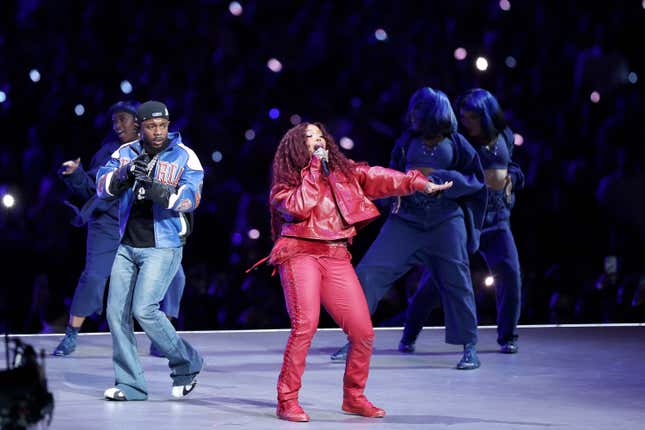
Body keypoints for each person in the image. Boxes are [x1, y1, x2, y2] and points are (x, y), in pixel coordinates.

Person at [266, 121, 452, 421]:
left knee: (363, 330)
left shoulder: (342, 172)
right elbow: (301, 206)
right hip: (300, 253)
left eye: (319, 135)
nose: (316, 140)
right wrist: (315, 168)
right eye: (308, 137)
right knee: (305, 324)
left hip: (336, 255)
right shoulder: (285, 184)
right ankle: (287, 399)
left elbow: (377, 176)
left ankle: (354, 396)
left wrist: (418, 184)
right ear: (296, 146)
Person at [330, 87, 487, 370]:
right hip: (406, 222)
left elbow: (475, 180)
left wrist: (443, 178)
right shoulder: (406, 142)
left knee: (457, 282)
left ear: (433, 112)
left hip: (444, 223)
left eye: (417, 109)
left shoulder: (457, 143)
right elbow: (390, 175)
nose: (412, 115)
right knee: (369, 273)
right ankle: (355, 339)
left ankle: (469, 346)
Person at [52, 101, 187, 358]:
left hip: (146, 222)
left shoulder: (165, 149)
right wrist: (75, 174)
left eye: (122, 119)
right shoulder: (110, 151)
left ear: (138, 121)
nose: (117, 125)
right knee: (94, 277)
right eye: (114, 121)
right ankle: (71, 335)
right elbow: (93, 188)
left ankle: (163, 337)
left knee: (175, 276)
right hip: (109, 224)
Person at [399, 89, 525, 354]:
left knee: (510, 274)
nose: (466, 121)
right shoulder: (456, 141)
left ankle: (508, 337)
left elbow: (509, 165)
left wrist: (514, 176)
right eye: (464, 116)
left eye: (472, 117)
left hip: (499, 219)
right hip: (466, 220)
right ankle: (409, 333)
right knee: (438, 279)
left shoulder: (504, 135)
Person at [96, 100, 203, 401]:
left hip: (163, 245)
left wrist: (156, 189)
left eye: (163, 126)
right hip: (128, 245)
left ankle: (187, 362)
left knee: (144, 310)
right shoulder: (125, 153)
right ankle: (130, 384)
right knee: (116, 314)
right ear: (140, 128)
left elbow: (191, 198)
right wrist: (125, 175)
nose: (158, 132)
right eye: (151, 126)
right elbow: (101, 188)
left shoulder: (185, 156)